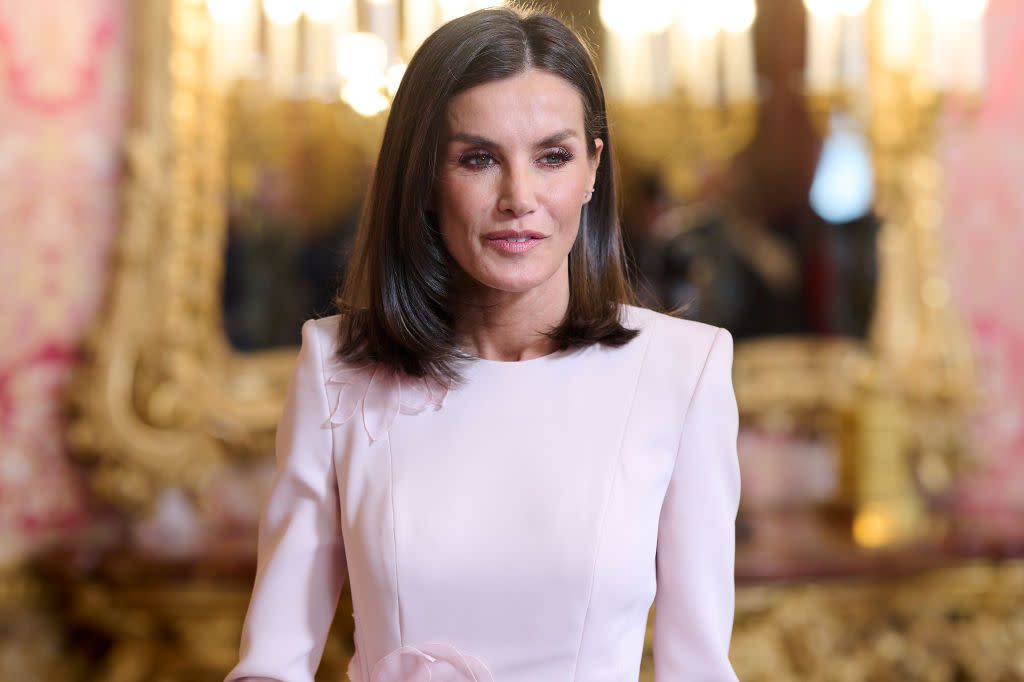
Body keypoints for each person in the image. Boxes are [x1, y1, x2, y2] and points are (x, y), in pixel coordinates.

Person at [226, 7, 740, 682]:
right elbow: (271, 665)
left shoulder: (684, 370)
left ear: (592, 169)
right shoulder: (335, 366)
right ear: (426, 180)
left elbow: (698, 670)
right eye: (478, 159)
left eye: (552, 156)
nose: (518, 197)